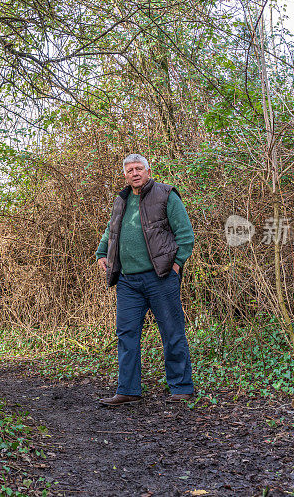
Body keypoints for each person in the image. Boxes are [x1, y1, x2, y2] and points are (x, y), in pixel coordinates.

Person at [95, 153, 195, 406]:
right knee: (126, 333)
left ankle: (181, 387)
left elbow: (185, 233)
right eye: (130, 170)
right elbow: (111, 230)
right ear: (125, 175)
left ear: (148, 171)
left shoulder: (165, 194)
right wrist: (101, 253)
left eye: (139, 168)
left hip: (160, 277)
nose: (135, 173)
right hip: (128, 281)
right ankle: (128, 390)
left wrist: (176, 265)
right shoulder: (122, 199)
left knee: (172, 331)